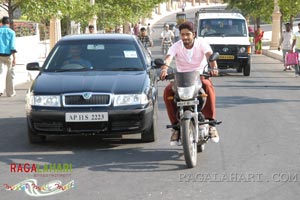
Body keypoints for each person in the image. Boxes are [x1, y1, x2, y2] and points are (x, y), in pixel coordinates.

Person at [159, 21, 220, 145]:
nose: (185, 37)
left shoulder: (202, 44)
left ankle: (211, 124)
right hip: (181, 79)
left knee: (208, 85)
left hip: (200, 76)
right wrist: (164, 69)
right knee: (167, 91)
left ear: (194, 34)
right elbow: (169, 57)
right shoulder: (176, 45)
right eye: (182, 35)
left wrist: (214, 67)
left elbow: (210, 55)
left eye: (188, 34)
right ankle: (175, 127)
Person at [0, 16, 17, 97]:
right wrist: (14, 58)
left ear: (1, 23)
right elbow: (13, 47)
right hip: (8, 55)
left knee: (0, 72)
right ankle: (10, 92)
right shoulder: (12, 32)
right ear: (9, 23)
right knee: (10, 74)